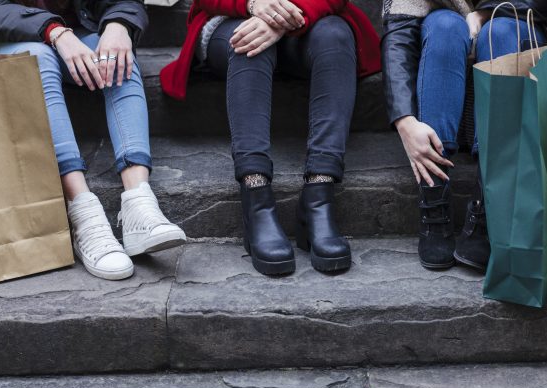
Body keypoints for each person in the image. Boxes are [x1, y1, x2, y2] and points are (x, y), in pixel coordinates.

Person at [0, 0, 187, 281]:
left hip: (78, 30)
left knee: (116, 56)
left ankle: (139, 202)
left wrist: (119, 24)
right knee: (37, 57)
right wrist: (55, 31)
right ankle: (82, 213)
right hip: (4, 38)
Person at [160, 0, 381, 275]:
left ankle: (319, 195)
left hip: (311, 17)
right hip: (231, 20)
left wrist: (282, 16)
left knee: (335, 34)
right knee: (248, 41)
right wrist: (254, 5)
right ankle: (256, 197)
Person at [381, 0, 547, 271]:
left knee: (501, 30)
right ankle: (433, 198)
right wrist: (404, 120)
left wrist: (485, 13)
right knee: (445, 25)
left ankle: (489, 207)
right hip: (442, 54)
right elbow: (399, 33)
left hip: (519, 30)